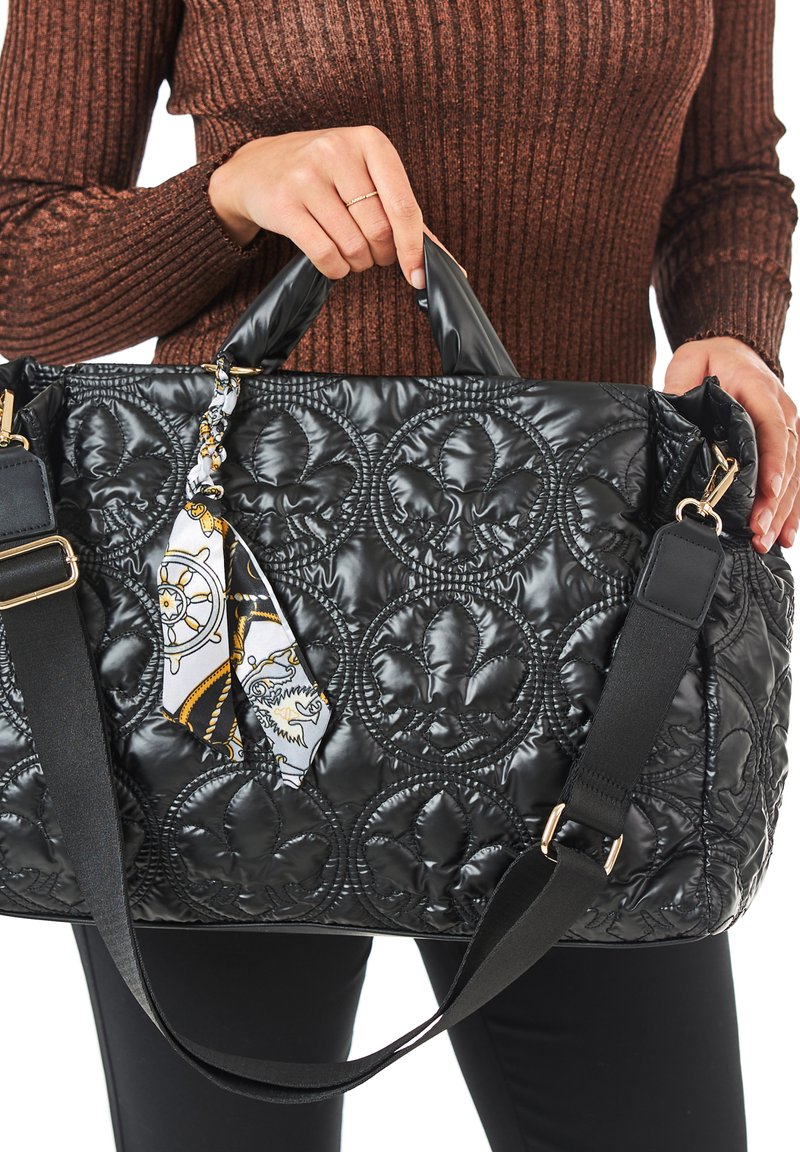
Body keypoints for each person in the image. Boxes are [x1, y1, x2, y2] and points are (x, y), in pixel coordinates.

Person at [0, 2, 796, 1150]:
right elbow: (18, 264)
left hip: (584, 626)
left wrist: (731, 331)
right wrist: (225, 196)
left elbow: (723, 178)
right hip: (227, 647)